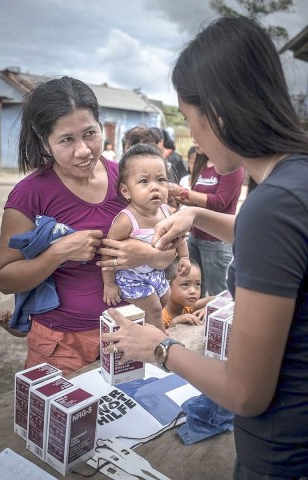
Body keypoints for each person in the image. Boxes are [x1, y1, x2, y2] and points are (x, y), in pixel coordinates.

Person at [100, 17, 308, 479]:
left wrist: (160, 348)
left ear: (216, 111)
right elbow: (284, 243)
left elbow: (245, 392)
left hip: (284, 452)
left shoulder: (271, 205)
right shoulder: (296, 176)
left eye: (191, 119)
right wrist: (197, 214)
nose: (193, 138)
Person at [0, 76, 174, 375]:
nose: (83, 150)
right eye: (66, 139)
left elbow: (168, 254)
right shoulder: (30, 194)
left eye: (90, 133)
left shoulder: (128, 181)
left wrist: (146, 256)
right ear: (45, 142)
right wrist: (58, 253)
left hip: (129, 332)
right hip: (61, 345)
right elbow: (6, 279)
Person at [102, 143, 191, 333]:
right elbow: (108, 253)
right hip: (132, 277)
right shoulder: (126, 220)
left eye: (161, 180)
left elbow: (179, 237)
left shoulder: (166, 211)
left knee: (166, 299)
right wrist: (109, 284)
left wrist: (184, 257)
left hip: (155, 272)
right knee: (154, 309)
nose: (155, 188)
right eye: (144, 181)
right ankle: (159, 343)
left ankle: (153, 332)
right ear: (126, 191)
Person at [168, 142, 244, 296]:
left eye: (198, 136)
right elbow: (196, 201)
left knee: (217, 292)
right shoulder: (202, 163)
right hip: (195, 237)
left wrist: (182, 191)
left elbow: (218, 202)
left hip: (215, 241)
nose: (195, 141)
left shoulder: (232, 167)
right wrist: (171, 193)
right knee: (195, 289)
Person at [162, 258, 214, 329]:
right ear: (167, 285)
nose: (193, 291)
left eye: (198, 284)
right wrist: (174, 323)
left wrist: (208, 308)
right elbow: (158, 339)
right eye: (185, 284)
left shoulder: (187, 306)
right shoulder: (160, 316)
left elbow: (214, 298)